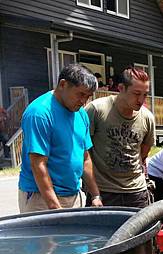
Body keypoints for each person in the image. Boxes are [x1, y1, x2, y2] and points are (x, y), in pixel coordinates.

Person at [18, 64, 103, 213]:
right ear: (63, 84)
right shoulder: (40, 113)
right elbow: (38, 164)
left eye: (88, 96)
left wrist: (95, 194)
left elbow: (85, 158)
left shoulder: (80, 113)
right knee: (45, 237)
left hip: (73, 195)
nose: (84, 101)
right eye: (80, 94)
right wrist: (55, 208)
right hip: (41, 199)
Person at [85, 67, 156, 208]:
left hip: (136, 191)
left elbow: (143, 153)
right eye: (136, 94)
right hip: (103, 190)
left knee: (141, 230)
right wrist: (94, 193)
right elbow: (84, 152)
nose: (141, 100)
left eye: (145, 95)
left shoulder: (147, 117)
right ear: (121, 88)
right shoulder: (97, 110)